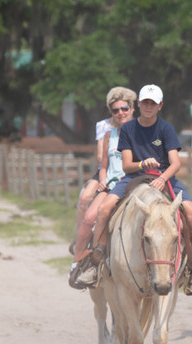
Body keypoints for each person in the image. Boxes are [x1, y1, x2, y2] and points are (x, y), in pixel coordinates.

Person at [77, 84, 192, 295]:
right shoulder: (127, 129)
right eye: (145, 102)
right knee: (104, 208)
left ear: (160, 106)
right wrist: (142, 165)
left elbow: (175, 164)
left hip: (165, 177)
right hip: (135, 176)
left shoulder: (166, 129)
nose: (148, 106)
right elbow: (127, 165)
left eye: (152, 103)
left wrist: (163, 178)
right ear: (139, 104)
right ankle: (96, 261)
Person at [69, 87, 136, 288]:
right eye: (115, 110)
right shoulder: (108, 133)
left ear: (132, 108)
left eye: (124, 108)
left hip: (131, 179)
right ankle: (80, 259)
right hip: (110, 179)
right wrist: (104, 178)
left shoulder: (142, 131)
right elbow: (102, 162)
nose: (120, 113)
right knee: (88, 211)